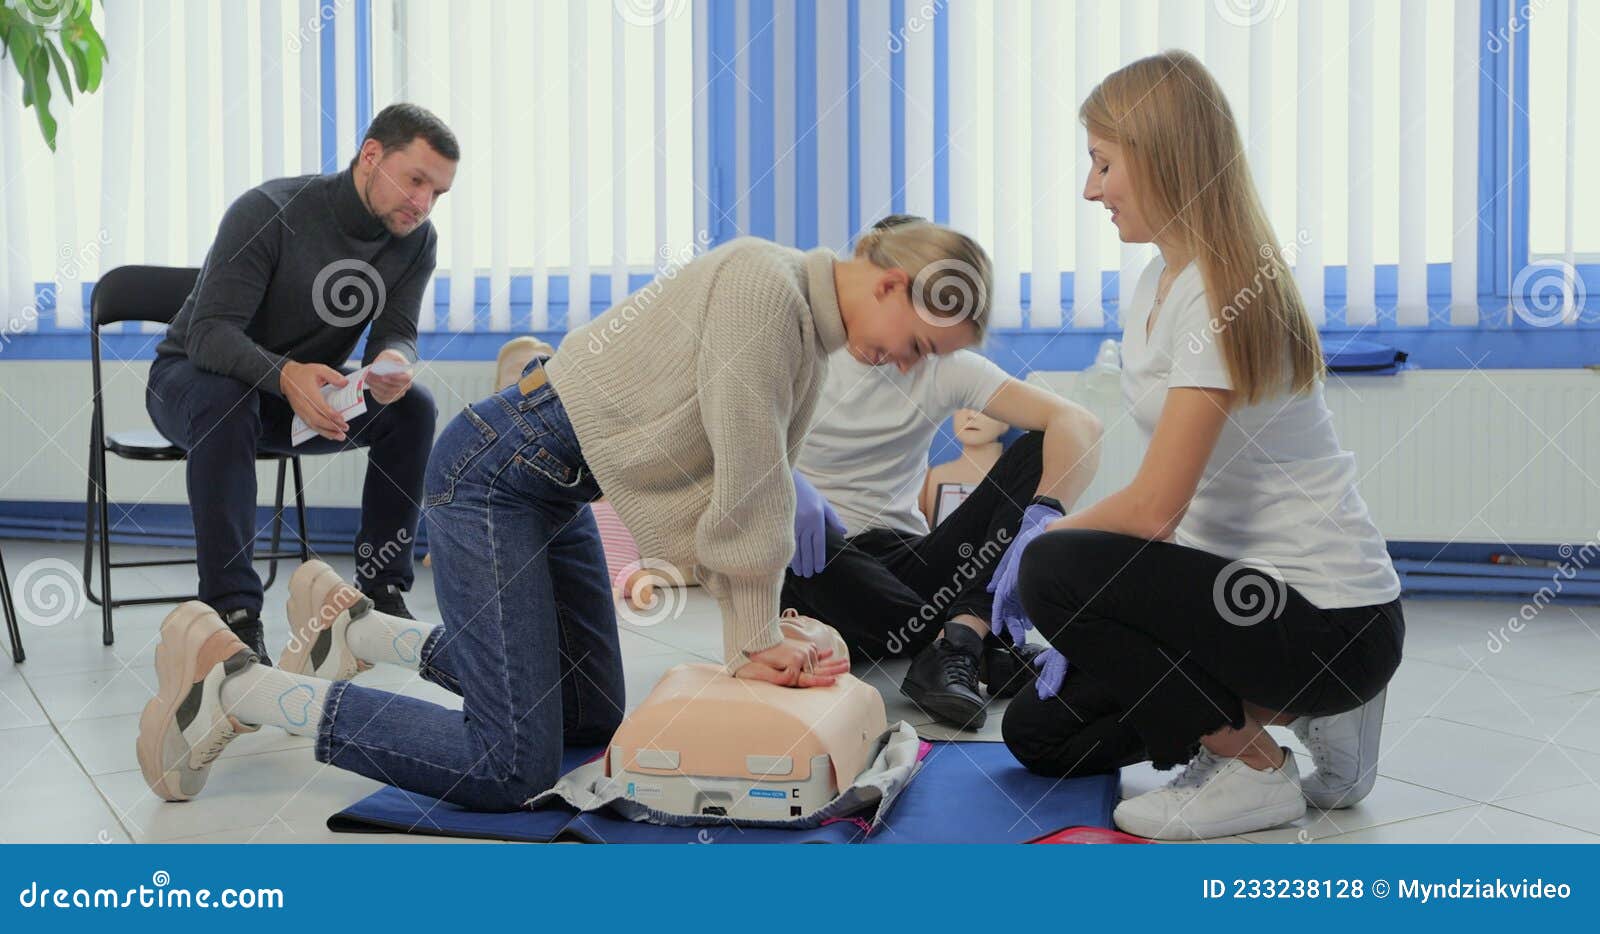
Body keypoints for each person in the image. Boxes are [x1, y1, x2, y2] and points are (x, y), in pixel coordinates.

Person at [136, 222, 994, 810]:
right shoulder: (766, 291)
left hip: (549, 484)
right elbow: (749, 479)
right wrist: (755, 636)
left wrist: (758, 633)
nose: (905, 367)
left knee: (587, 722)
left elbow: (753, 471)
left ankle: (361, 634)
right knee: (509, 763)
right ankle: (241, 686)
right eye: (918, 346)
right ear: (889, 282)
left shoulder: (806, 327)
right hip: (494, 474)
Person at [995, 51, 1403, 840]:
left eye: (1104, 163)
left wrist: (1043, 553)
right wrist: (1102, 636)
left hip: (1328, 619)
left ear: (1165, 156)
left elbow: (1152, 511)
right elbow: (1173, 526)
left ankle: (1252, 763)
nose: (1091, 189)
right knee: (1039, 734)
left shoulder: (1224, 290)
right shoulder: (1155, 285)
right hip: (1236, 600)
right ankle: (1295, 711)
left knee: (1054, 567)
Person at [145, 104, 457, 662]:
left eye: (437, 193)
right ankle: (233, 618)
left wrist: (391, 361)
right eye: (416, 181)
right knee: (226, 398)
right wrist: (284, 374)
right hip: (194, 383)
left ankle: (382, 594)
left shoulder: (416, 240)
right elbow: (209, 335)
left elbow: (398, 331)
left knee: (414, 407)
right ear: (371, 156)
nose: (423, 203)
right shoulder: (269, 211)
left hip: (300, 401)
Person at [782, 217, 1104, 731]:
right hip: (815, 563)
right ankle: (971, 641)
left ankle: (953, 643)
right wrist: (780, 484)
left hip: (904, 563)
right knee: (806, 535)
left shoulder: (943, 366)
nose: (907, 359)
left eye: (925, 346)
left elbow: (1079, 424)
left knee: (1044, 446)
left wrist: (1041, 520)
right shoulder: (798, 340)